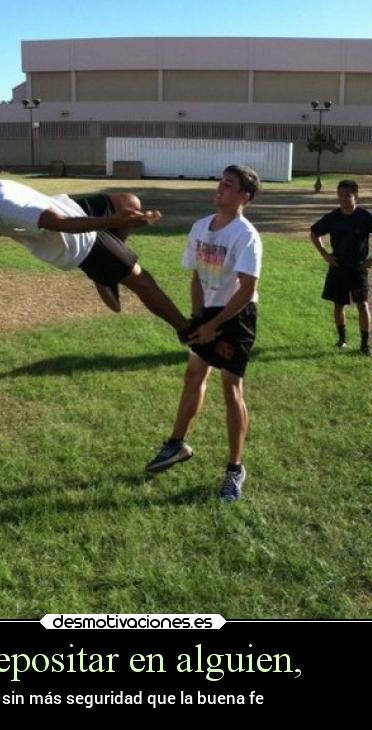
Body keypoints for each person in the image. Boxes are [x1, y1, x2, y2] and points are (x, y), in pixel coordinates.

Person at [0, 171, 191, 337]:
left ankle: (105, 277)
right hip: (79, 241)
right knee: (143, 281)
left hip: (68, 208)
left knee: (128, 201)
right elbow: (60, 224)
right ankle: (188, 332)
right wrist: (120, 221)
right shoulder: (2, 208)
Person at [145, 166, 262, 503]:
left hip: (237, 315)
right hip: (207, 312)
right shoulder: (200, 227)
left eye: (229, 185)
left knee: (231, 387)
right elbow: (196, 275)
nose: (220, 188)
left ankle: (234, 469)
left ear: (244, 197)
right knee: (194, 375)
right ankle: (176, 445)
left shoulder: (245, 234)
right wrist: (198, 319)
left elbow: (247, 288)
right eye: (220, 182)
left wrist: (215, 325)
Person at [310, 179, 372, 357]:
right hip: (338, 267)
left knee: (362, 305)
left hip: (358, 269)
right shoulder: (333, 217)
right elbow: (314, 233)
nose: (344, 199)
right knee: (339, 305)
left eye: (348, 195)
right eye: (340, 195)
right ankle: (342, 339)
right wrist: (325, 255)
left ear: (356, 196)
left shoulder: (365, 217)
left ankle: (364, 345)